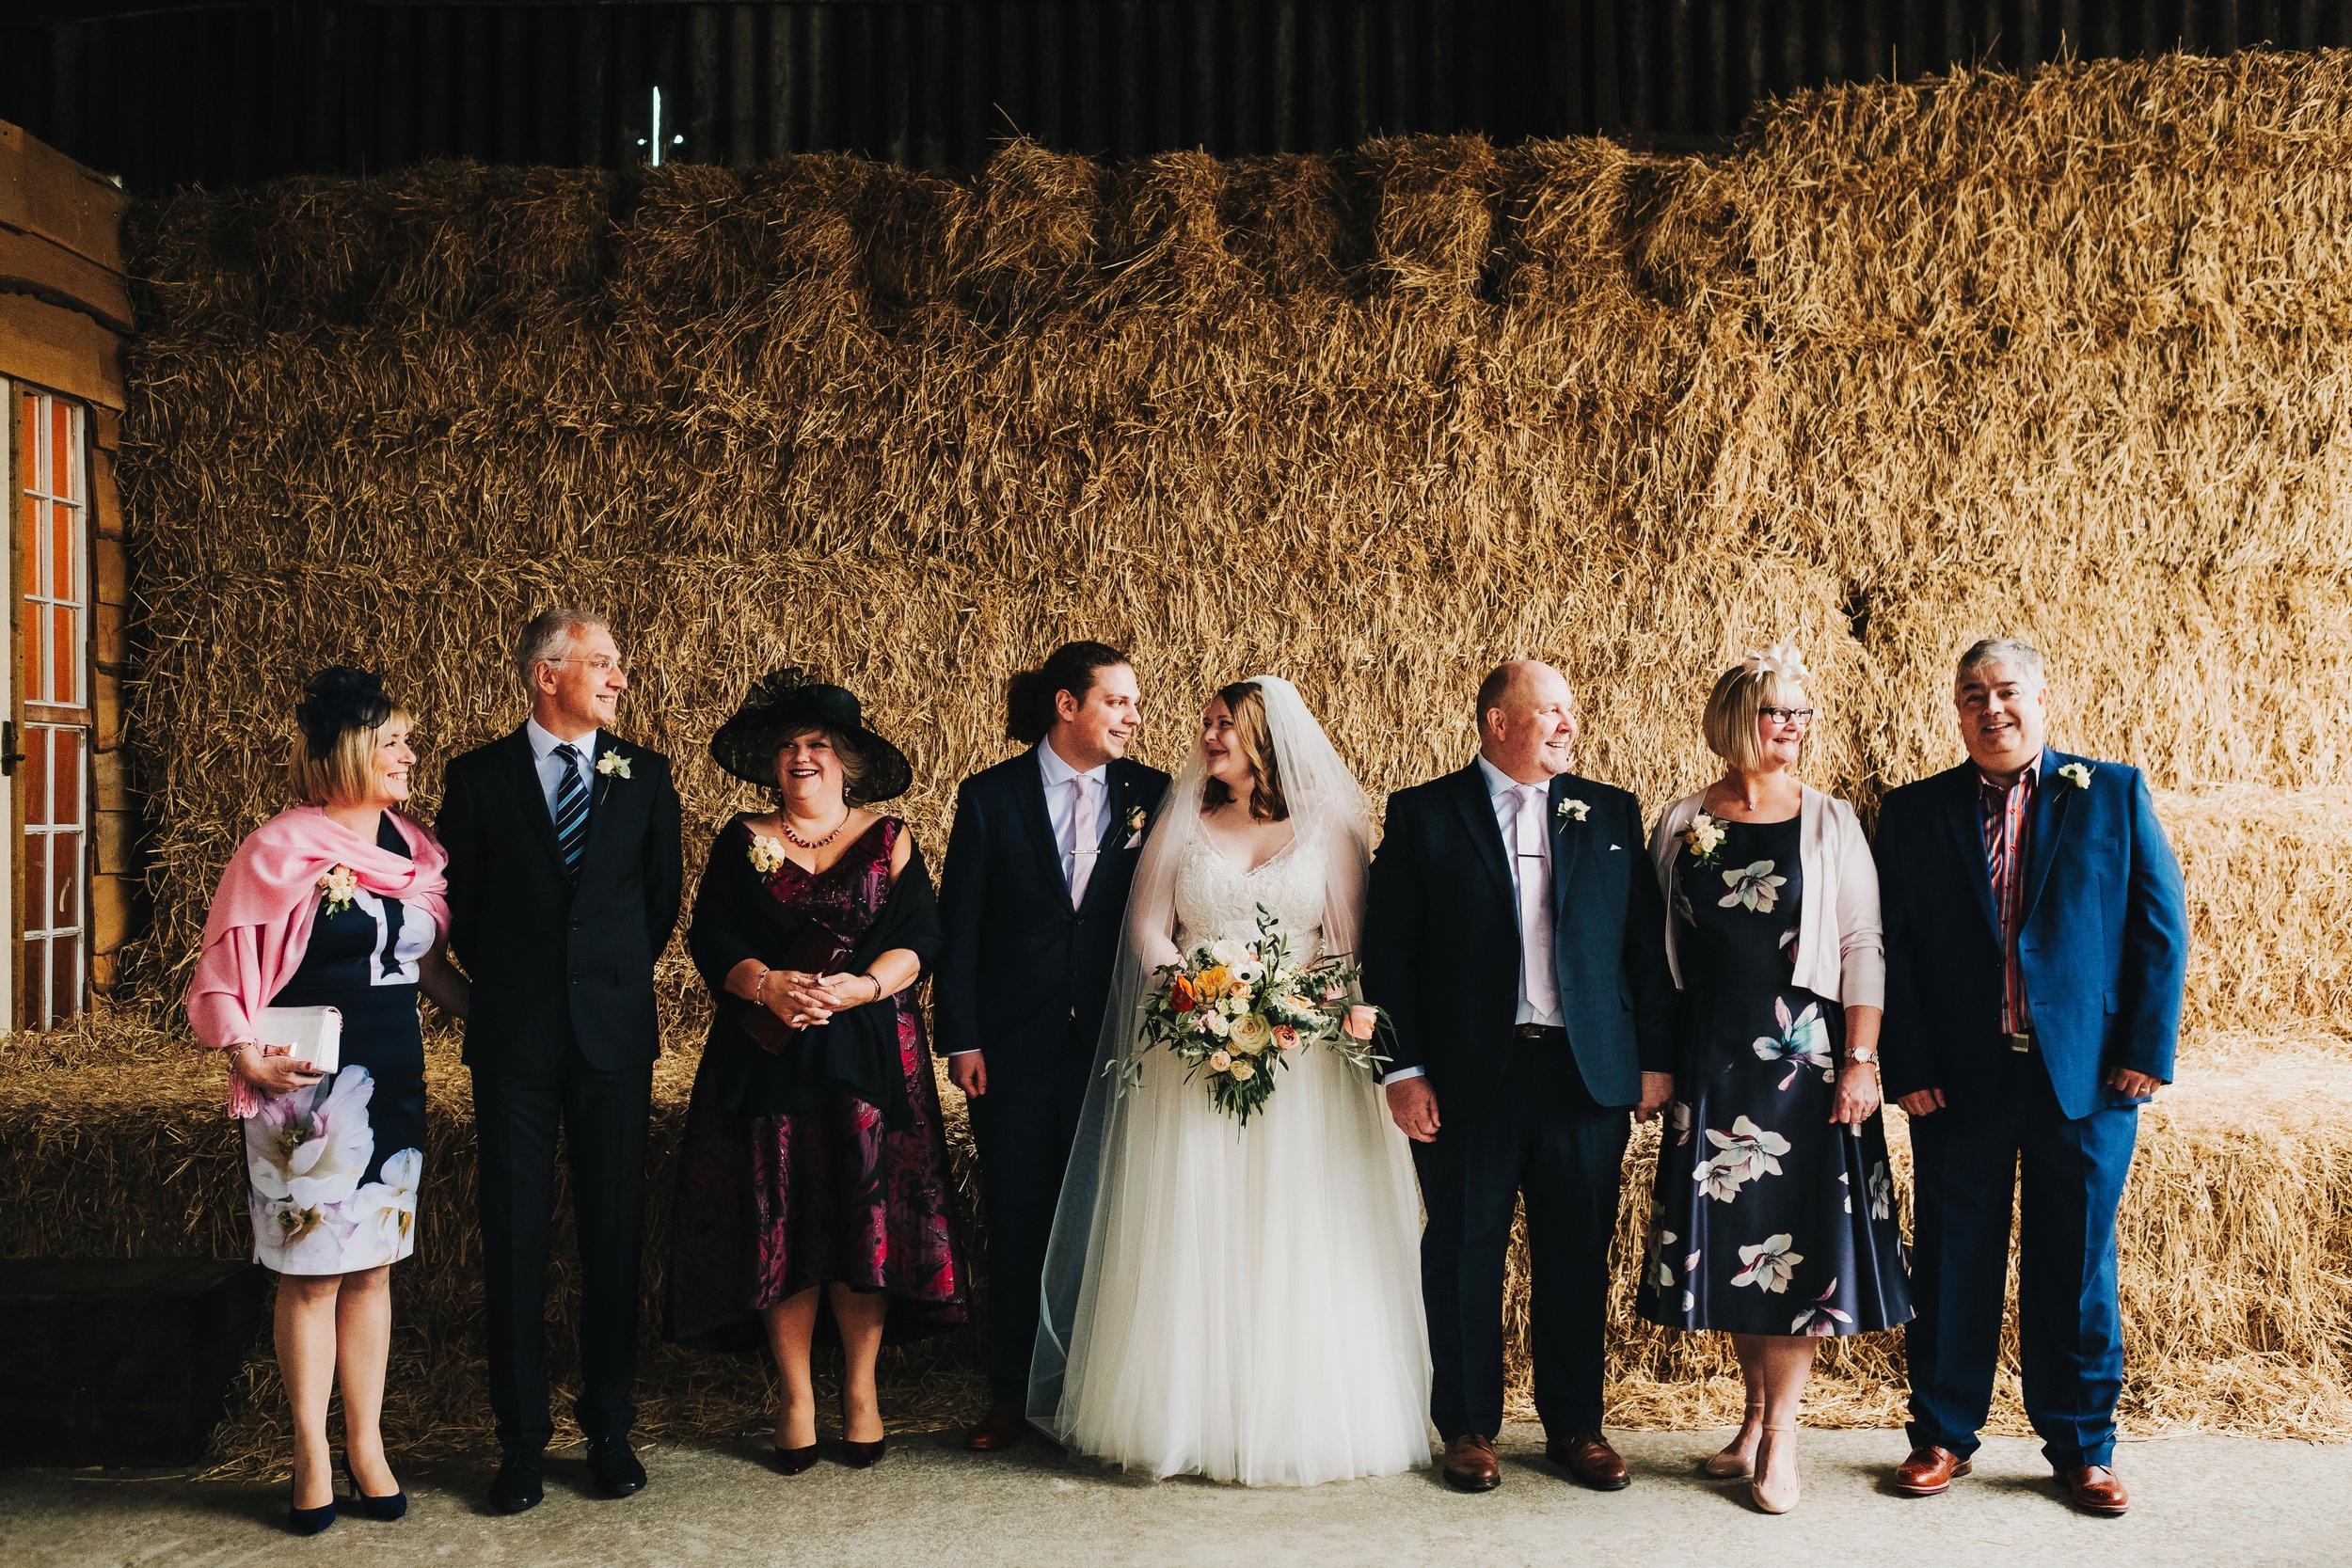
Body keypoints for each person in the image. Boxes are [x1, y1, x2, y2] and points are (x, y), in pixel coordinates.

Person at [1030, 677, 1432, 1485]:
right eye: (1208, 723)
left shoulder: (1328, 825)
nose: (1209, 737)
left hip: (1302, 1059)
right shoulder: (1183, 817)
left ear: (1265, 738)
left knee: (1295, 1226)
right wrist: (1192, 996)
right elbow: (1148, 925)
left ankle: (1293, 1415)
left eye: (1226, 725)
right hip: (1191, 1049)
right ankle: (1185, 1417)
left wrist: (1283, 1006)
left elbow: (1346, 943)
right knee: (1193, 1216)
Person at [1875, 638, 2187, 1518]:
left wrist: (2145, 1050)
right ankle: (1941, 1435)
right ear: (1957, 709)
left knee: (2077, 1262)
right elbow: (1892, 945)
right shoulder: (1913, 811)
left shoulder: (2111, 792)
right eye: (1972, 695)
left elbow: (2161, 927)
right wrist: (1910, 1062)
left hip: (2086, 1079)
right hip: (1958, 1081)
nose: (1992, 708)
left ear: (2042, 697)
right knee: (1951, 1258)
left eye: (2006, 691)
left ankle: (2083, 1448)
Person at [1361, 659, 1676, 1495]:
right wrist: (1403, 1069)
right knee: (1464, 1250)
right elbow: (1390, 953)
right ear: (1498, 722)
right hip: (1469, 1076)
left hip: (1585, 1073)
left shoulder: (1610, 810)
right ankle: (1467, 1426)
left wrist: (1653, 1058)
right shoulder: (1424, 813)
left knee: (1577, 1252)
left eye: (1571, 710)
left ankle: (1576, 1425)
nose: (1568, 724)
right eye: (1551, 711)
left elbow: (1644, 946)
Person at [666, 670, 968, 1473]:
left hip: (867, 1055)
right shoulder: (742, 838)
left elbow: (923, 937)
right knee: (784, 1221)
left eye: (819, 745)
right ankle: (796, 1394)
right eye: (790, 746)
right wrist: (766, 983)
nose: (802, 757)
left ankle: (861, 1390)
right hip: (769, 1054)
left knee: (862, 1222)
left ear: (848, 761)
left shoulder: (891, 836)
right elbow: (709, 936)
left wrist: (863, 986)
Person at [187, 666, 464, 1533]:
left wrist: (511, 1018)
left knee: (373, 1265)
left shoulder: (414, 851)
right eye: (393, 743)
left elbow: (427, 969)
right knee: (311, 1274)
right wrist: (244, 1052)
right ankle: (310, 1451)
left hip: (394, 1071)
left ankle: (367, 1445)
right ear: (348, 753)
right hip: (302, 1081)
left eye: (407, 741)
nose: (409, 756)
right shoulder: (278, 850)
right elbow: (225, 965)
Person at [1637, 644, 1912, 1513]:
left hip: (1807, 1061)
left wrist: (1861, 1060)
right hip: (1713, 1060)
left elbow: (1863, 943)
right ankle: (1753, 1417)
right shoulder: (1681, 819)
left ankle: (1784, 1436)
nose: (1792, 725)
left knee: (1794, 1253)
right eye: (1775, 710)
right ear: (1734, 719)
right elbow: (1654, 949)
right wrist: (1658, 1059)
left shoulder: (1831, 821)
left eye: (1801, 712)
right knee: (1739, 1252)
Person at [437, 608, 683, 1513]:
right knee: (513, 1237)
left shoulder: (645, 774)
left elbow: (658, 903)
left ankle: (609, 1429)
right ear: (547, 675)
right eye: (603, 662)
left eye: (619, 664)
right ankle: (520, 1442)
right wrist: (516, 991)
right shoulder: (476, 777)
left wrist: (601, 981)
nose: (619, 677)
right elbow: (459, 908)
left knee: (613, 1233)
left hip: (614, 1038)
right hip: (516, 1041)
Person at [933, 641, 1169, 1451]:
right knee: (1018, 1214)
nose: (1132, 717)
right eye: (1117, 701)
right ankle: (1012, 1392)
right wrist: (962, 1036)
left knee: (1107, 1219)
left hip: (1117, 1048)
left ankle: (1089, 1396)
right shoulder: (990, 795)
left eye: (1134, 703)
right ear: (1068, 705)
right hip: (1012, 1048)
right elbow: (960, 925)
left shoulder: (1153, 794)